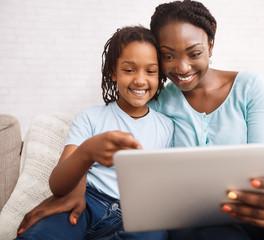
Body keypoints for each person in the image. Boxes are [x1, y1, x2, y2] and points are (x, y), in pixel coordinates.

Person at [17, 1, 264, 239]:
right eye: (168, 55)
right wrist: (76, 184)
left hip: (251, 201)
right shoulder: (159, 99)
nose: (182, 67)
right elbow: (125, 123)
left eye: (194, 52)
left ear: (211, 43)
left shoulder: (250, 86)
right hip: (196, 217)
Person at [15, 26, 173, 240]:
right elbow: (58, 185)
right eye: (129, 70)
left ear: (159, 75)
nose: (140, 80)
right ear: (113, 73)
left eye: (150, 71)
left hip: (137, 214)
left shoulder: (167, 126)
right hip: (86, 204)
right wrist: (87, 152)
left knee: (154, 234)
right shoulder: (91, 118)